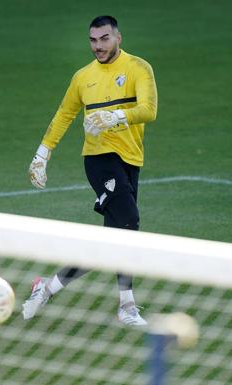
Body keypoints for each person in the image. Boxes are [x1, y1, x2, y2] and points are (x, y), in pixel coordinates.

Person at [23, 15, 158, 326]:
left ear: (118, 38)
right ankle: (126, 305)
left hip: (130, 160)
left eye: (104, 39)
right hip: (98, 159)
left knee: (114, 239)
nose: (98, 46)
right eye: (93, 40)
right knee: (129, 220)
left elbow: (149, 110)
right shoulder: (83, 77)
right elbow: (64, 114)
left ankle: (47, 288)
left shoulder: (139, 68)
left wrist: (114, 117)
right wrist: (41, 155)